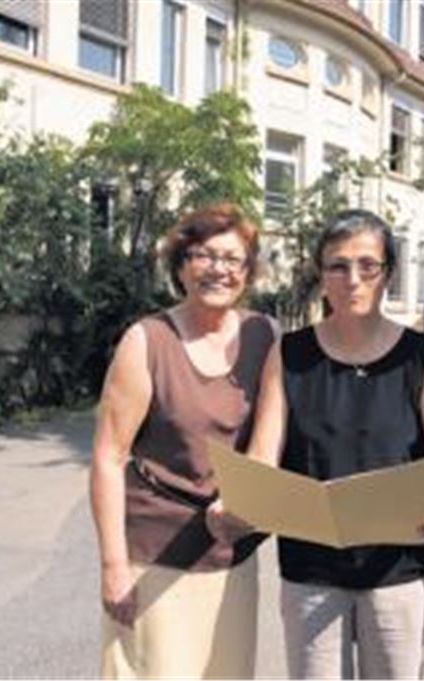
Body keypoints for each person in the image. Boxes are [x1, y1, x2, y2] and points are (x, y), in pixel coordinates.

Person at [213, 209, 424, 679]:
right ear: (321, 274)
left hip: (397, 568)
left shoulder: (421, 355)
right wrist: (237, 501)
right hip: (310, 569)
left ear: (388, 274)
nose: (353, 279)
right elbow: (263, 457)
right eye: (338, 265)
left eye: (367, 265)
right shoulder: (289, 353)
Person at [90, 202, 277, 679]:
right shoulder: (147, 341)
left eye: (232, 259)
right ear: (180, 265)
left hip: (230, 557)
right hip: (154, 556)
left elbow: (271, 442)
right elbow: (109, 457)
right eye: (203, 255)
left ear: (248, 271)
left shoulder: (265, 335)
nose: (218, 269)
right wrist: (113, 566)